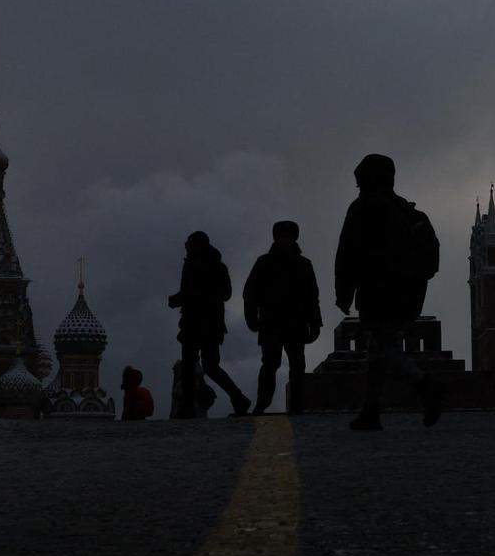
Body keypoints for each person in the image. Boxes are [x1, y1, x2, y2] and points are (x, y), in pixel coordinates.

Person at [335, 154, 444, 431]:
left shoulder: (363, 207)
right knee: (378, 349)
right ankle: (370, 411)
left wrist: (343, 293)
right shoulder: (405, 209)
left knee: (384, 346)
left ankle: (423, 384)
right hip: (409, 291)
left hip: (378, 289)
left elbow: (347, 253)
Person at [168, 231, 251, 418]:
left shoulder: (208, 266)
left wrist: (183, 298)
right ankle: (233, 399)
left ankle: (236, 398)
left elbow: (222, 293)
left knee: (203, 365)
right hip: (203, 323)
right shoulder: (208, 265)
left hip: (203, 322)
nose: (186, 247)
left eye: (188, 244)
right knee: (199, 365)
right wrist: (181, 298)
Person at [243, 220, 323, 415]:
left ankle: (297, 405)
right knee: (270, 364)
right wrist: (252, 318)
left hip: (295, 323)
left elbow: (312, 296)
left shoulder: (304, 264)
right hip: (271, 322)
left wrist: (315, 323)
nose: (285, 239)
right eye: (282, 235)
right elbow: (250, 293)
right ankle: (262, 403)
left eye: (288, 235)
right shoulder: (264, 262)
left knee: (297, 365)